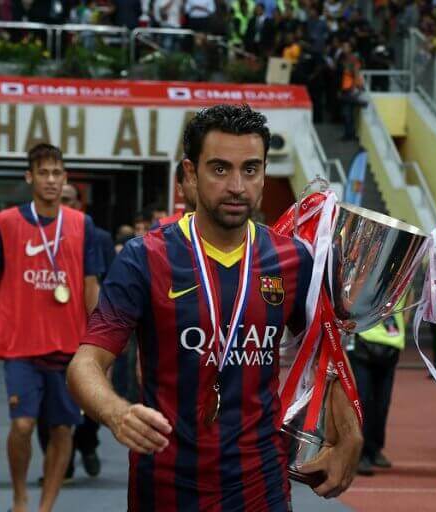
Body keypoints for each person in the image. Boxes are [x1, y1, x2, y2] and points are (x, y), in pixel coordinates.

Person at [68, 104, 362, 511]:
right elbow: (84, 364)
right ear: (190, 174)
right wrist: (117, 412)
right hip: (167, 484)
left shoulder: (294, 260)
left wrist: (349, 435)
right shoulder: (145, 258)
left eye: (251, 169)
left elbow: (326, 353)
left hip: (260, 482)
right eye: (220, 169)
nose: (238, 186)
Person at [0, 143, 103, 512]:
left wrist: (99, 340)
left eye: (58, 173)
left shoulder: (81, 224)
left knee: (62, 429)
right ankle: (20, 498)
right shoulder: (6, 223)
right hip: (21, 345)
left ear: (65, 178)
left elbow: (91, 284)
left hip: (68, 343)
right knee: (24, 425)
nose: (51, 180)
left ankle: (45, 506)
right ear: (30, 177)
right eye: (43, 173)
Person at [33, 183, 107, 483]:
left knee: (91, 400)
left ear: (78, 204)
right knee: (45, 402)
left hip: (86, 333)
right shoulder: (36, 238)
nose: (60, 204)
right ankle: (58, 464)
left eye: (67, 200)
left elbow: (111, 285)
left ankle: (86, 444)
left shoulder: (97, 237)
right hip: (45, 334)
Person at [349, 294, 411, 476]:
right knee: (363, 401)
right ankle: (359, 454)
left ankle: (374, 448)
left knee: (382, 402)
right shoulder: (366, 269)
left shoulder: (401, 269)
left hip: (391, 343)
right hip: (363, 341)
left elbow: (409, 296)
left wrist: (403, 324)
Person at [151, 161, 198, 229]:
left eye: (203, 178)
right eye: (194, 179)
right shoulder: (162, 228)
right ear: (180, 189)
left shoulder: (218, 227)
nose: (200, 185)